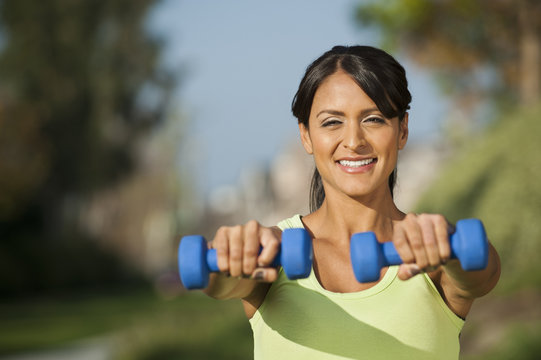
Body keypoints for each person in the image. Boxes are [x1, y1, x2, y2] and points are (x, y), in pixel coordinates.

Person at [202, 45, 501, 359]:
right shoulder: (274, 253)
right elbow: (220, 283)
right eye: (332, 122)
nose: (354, 141)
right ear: (305, 136)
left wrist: (448, 247)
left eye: (373, 119)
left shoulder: (434, 252)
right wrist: (229, 256)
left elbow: (481, 273)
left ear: (403, 130)